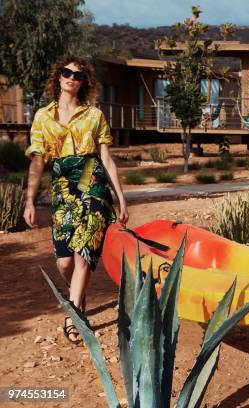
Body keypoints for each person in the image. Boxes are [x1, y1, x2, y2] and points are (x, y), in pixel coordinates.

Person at [23, 56, 129, 344]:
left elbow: (106, 158)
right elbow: (37, 161)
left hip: (89, 176)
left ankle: (73, 317)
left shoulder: (93, 115)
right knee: (64, 261)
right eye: (66, 72)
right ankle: (77, 297)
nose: (71, 77)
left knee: (84, 250)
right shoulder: (43, 116)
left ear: (84, 82)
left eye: (78, 75)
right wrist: (30, 200)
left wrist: (120, 198)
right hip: (61, 182)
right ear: (58, 77)